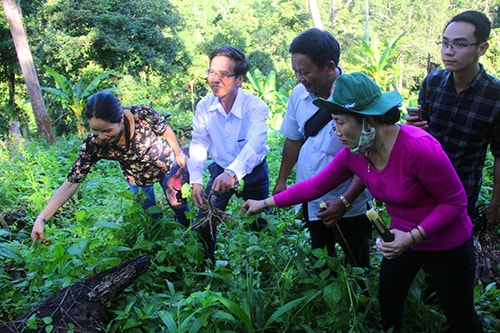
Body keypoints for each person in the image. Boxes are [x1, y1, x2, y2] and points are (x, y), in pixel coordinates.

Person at [243, 73, 483, 333]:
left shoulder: (418, 148)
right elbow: (315, 186)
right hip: (399, 242)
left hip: (446, 243)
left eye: (340, 123)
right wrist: (264, 203)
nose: (336, 133)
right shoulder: (356, 154)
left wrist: (413, 236)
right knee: (389, 304)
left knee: (460, 317)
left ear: (367, 120)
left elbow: (455, 202)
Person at [31, 91, 189, 245]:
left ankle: (191, 239)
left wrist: (178, 153)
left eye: (107, 130)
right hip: (137, 178)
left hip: (166, 167)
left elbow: (164, 130)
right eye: (95, 130)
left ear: (120, 118)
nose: (102, 136)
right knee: (150, 218)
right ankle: (163, 249)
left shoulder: (142, 114)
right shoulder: (94, 144)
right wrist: (41, 218)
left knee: (180, 207)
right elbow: (72, 182)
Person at [273, 28, 371, 266]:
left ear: (329, 67)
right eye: (295, 71)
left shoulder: (358, 94)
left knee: (357, 261)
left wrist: (345, 201)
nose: (299, 77)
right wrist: (282, 180)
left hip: (351, 203)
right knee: (322, 258)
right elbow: (294, 138)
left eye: (304, 71)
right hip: (313, 199)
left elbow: (369, 159)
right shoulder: (298, 95)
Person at [407, 10, 500, 226]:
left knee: (454, 252)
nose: (449, 52)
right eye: (445, 43)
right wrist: (413, 128)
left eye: (459, 44)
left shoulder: (495, 96)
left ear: (482, 48)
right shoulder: (432, 83)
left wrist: (495, 204)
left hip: (462, 191)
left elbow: (499, 155)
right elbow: (419, 137)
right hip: (422, 186)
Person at [187, 46, 270, 263]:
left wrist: (233, 173)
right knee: (205, 221)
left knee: (257, 222)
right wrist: (195, 180)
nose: (215, 79)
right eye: (212, 72)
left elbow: (256, 144)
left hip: (253, 171)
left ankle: (260, 267)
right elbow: (199, 142)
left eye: (224, 74)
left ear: (240, 79)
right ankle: (207, 267)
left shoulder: (255, 107)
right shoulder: (205, 106)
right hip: (219, 169)